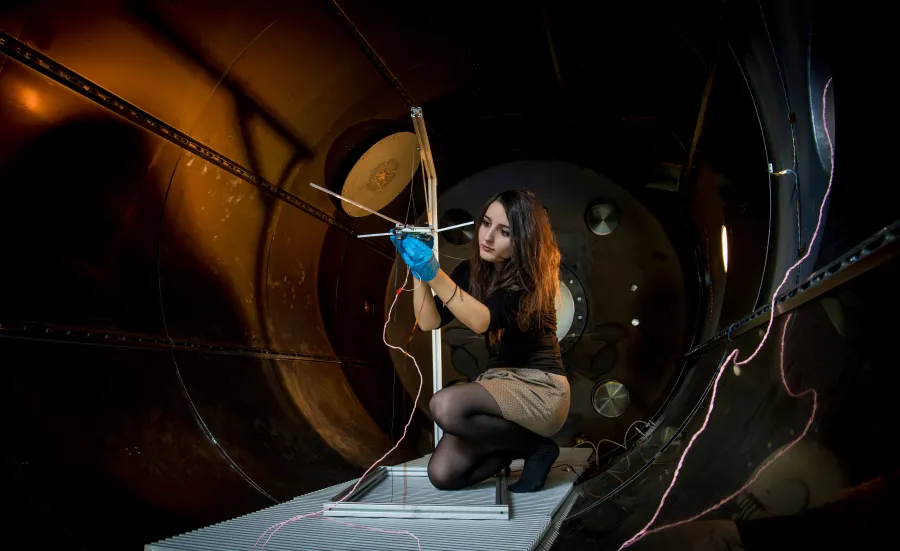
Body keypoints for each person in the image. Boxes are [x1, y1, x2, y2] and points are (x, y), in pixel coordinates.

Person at [390, 189, 571, 493]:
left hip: (540, 389)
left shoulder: (532, 281)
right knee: (443, 474)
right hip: (497, 388)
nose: (487, 237)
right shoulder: (470, 272)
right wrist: (417, 270)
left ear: (523, 239)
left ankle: (537, 449)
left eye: (504, 232)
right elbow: (429, 321)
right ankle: (510, 447)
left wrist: (433, 272)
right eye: (485, 223)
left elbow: (480, 320)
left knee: (445, 405)